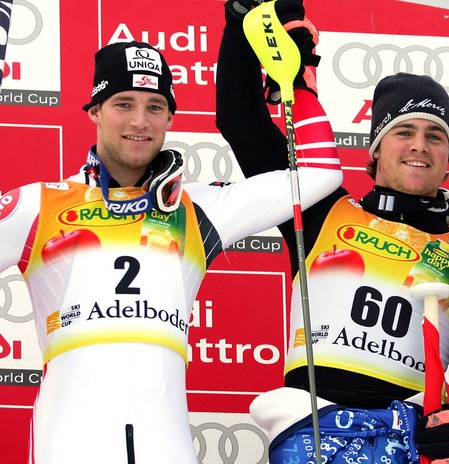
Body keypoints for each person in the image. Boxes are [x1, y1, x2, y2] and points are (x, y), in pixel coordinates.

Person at [0, 40, 341, 464]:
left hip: (166, 442)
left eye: (155, 106)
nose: (140, 121)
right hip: (68, 440)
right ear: (94, 111)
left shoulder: (197, 209)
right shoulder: (39, 204)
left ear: (169, 117)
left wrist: (298, 82)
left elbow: (319, 174)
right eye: (123, 104)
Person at [216, 1, 449, 463]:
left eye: (436, 136)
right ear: (374, 150)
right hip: (310, 441)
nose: (419, 145)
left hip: (404, 449)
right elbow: (239, 123)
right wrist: (240, 20)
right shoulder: (321, 210)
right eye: (403, 132)